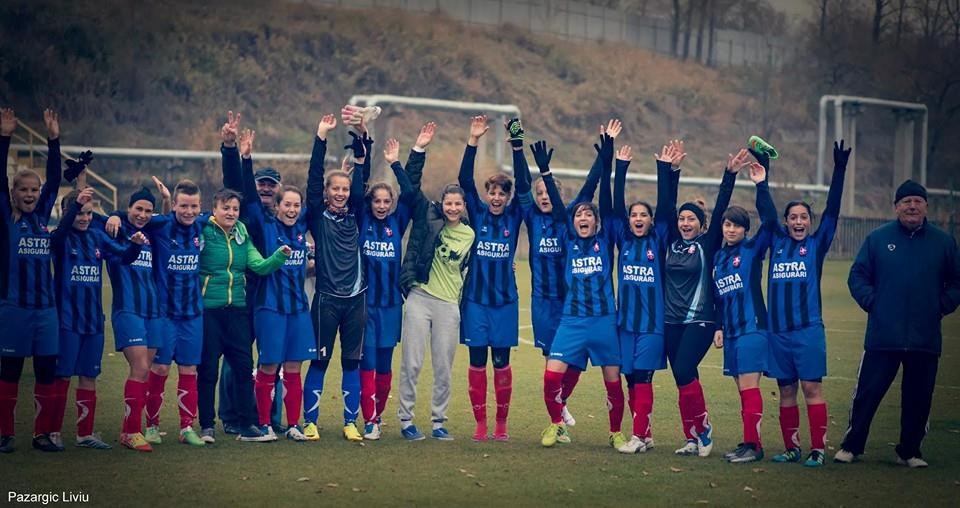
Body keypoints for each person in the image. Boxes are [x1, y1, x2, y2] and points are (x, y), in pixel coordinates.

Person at [836, 179, 960, 467]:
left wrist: (940, 306)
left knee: (919, 398)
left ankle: (910, 451)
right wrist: (873, 303)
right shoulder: (878, 239)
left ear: (926, 206)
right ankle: (852, 446)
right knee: (866, 394)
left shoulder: (943, 242)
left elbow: (956, 282)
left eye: (917, 201)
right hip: (883, 335)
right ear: (896, 207)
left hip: (924, 337)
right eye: (906, 202)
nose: (912, 206)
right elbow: (857, 276)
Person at [533, 133, 627, 450]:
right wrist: (545, 173)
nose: (582, 217)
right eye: (578, 215)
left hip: (603, 320)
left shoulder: (607, 240)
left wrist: (606, 160)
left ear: (597, 222)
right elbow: (560, 210)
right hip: (572, 320)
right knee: (550, 378)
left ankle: (615, 432)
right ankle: (556, 424)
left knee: (612, 382)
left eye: (588, 214)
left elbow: (601, 194)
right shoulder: (569, 240)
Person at [521, 123, 611, 430]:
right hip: (543, 300)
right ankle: (557, 414)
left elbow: (592, 184)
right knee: (553, 359)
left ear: (560, 195)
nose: (545, 197)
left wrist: (604, 158)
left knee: (576, 359)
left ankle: (561, 403)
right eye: (540, 193)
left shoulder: (572, 216)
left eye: (550, 192)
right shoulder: (531, 215)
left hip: (573, 302)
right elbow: (521, 183)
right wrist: (517, 146)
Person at [765, 141, 850, 467]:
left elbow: (833, 211)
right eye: (793, 218)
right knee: (786, 393)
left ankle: (817, 449)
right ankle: (791, 448)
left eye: (804, 217)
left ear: (809, 223)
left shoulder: (816, 244)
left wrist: (839, 171)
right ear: (786, 223)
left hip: (807, 331)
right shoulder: (776, 241)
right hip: (778, 333)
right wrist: (764, 174)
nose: (799, 222)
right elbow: (765, 209)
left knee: (812, 388)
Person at [108, 177, 208, 448]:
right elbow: (133, 216)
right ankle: (151, 425)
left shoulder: (203, 224)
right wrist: (115, 215)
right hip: (163, 312)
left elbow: (229, 213)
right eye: (184, 206)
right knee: (160, 368)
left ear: (201, 206)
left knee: (189, 370)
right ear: (173, 205)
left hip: (193, 312)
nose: (189, 211)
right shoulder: (161, 225)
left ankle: (187, 427)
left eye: (194, 206)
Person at [663, 147, 749, 457]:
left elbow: (723, 204)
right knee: (682, 378)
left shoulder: (707, 243)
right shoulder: (670, 242)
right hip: (670, 321)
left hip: (700, 319)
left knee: (685, 369)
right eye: (682, 219)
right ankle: (691, 437)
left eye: (692, 219)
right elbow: (665, 206)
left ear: (702, 224)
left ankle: (703, 426)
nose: (686, 223)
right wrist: (670, 172)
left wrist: (730, 174)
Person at [49, 187, 145, 450]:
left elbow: (124, 257)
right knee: (63, 376)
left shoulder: (97, 238)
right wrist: (72, 209)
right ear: (65, 213)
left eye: (89, 213)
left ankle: (84, 434)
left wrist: (135, 245)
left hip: (94, 321)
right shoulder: (60, 238)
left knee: (89, 376)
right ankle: (53, 432)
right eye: (78, 213)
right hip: (67, 320)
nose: (84, 218)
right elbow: (56, 240)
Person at [196, 188, 291, 443]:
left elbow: (258, 266)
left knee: (243, 367)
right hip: (209, 312)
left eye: (235, 209)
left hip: (238, 310)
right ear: (214, 209)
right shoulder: (202, 230)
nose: (231, 213)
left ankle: (247, 424)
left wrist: (279, 256)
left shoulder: (241, 233)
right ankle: (206, 426)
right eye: (226, 208)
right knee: (208, 370)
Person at [459, 115, 532, 441]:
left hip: (504, 303)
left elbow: (526, 186)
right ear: (487, 195)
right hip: (475, 301)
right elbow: (463, 180)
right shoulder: (477, 212)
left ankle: (501, 425)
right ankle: (480, 425)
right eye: (493, 193)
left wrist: (517, 147)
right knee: (477, 363)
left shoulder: (515, 215)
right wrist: (473, 141)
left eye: (503, 193)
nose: (498, 198)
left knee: (501, 363)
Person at [357, 125, 431, 440]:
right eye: (378, 201)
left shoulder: (396, 223)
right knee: (369, 364)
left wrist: (403, 160)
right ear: (370, 203)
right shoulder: (362, 219)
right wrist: (365, 145)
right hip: (364, 305)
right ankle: (370, 421)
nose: (383, 205)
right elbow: (359, 183)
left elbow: (411, 194)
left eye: (387, 201)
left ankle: (379, 416)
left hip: (390, 306)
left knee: (386, 367)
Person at [610, 140, 682, 453]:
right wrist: (619, 167)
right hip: (626, 324)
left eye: (644, 215)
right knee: (630, 379)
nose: (639, 218)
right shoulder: (623, 240)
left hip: (653, 325)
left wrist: (664, 168)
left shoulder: (660, 238)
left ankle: (638, 437)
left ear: (651, 221)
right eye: (634, 215)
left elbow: (667, 206)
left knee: (642, 378)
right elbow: (613, 205)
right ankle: (646, 433)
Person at [301, 113, 370, 442]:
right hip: (326, 300)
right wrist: (321, 137)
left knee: (351, 364)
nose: (342, 193)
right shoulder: (317, 214)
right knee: (319, 363)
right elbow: (313, 180)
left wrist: (361, 153)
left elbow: (362, 185)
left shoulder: (357, 213)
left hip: (356, 300)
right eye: (336, 189)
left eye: (345, 188)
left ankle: (349, 423)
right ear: (327, 193)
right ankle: (310, 422)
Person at [0, 108, 64, 453]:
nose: (29, 194)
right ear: (13, 192)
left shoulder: (42, 216)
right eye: (23, 189)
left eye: (34, 189)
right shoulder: (7, 218)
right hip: (14, 309)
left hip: (46, 312)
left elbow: (55, 179)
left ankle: (41, 435)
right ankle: (5, 434)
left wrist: (53, 140)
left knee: (46, 372)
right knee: (9, 373)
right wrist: (5, 137)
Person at [396, 169, 474, 441]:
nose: (453, 208)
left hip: (449, 305)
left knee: (443, 367)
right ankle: (406, 421)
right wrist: (397, 164)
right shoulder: (428, 219)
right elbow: (410, 191)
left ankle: (439, 421)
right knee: (412, 363)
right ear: (442, 204)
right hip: (420, 298)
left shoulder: (469, 235)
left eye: (458, 204)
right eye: (448, 203)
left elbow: (470, 265)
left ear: (463, 206)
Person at [710, 160, 777, 463]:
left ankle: (755, 447)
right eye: (727, 224)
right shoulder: (719, 258)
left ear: (745, 229)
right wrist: (720, 326)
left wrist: (761, 184)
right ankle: (749, 441)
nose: (731, 229)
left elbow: (772, 222)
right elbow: (720, 297)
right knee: (742, 389)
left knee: (749, 388)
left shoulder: (752, 250)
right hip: (733, 331)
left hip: (752, 329)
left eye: (736, 224)